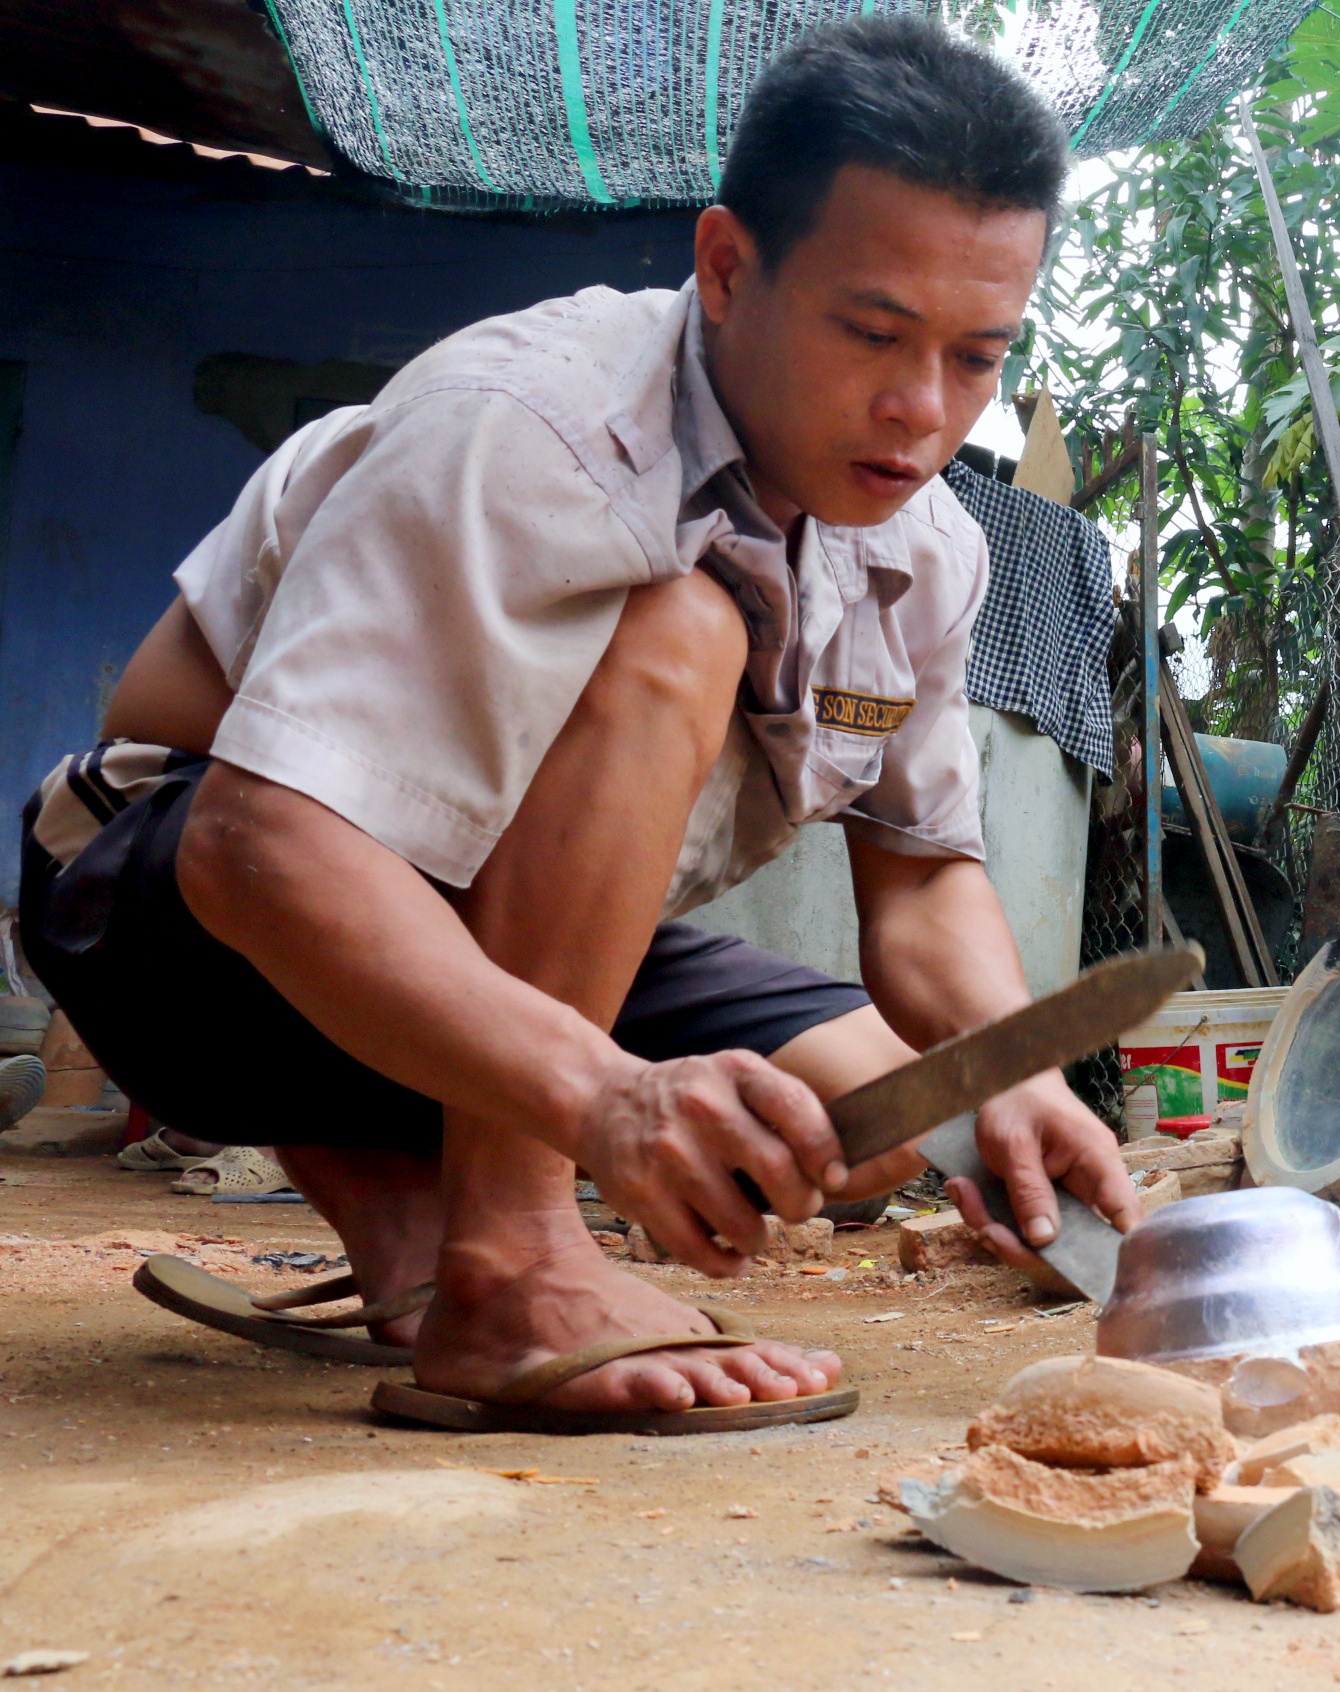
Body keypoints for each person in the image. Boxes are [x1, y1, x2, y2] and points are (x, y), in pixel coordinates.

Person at [18, 15, 1134, 1431]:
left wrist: (1014, 1076)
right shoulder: (528, 426)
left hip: (473, 924)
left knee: (852, 1132)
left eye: (977, 359)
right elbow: (256, 851)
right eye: (872, 332)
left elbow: (917, 882)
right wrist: (603, 1104)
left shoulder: (929, 545)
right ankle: (506, 1253)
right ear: (727, 269)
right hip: (167, 921)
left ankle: (413, 1207)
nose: (922, 411)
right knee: (684, 628)